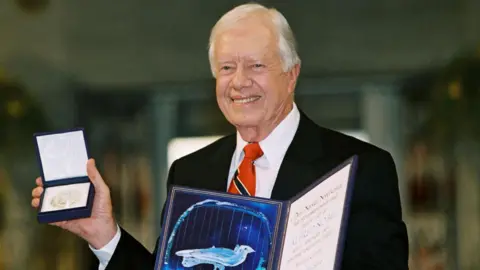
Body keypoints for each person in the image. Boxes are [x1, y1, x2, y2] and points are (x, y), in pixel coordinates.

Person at [31, 3, 409, 270]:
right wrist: (106, 236)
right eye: (227, 67)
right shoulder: (190, 172)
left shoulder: (358, 168)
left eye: (256, 65)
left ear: (292, 74)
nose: (240, 81)